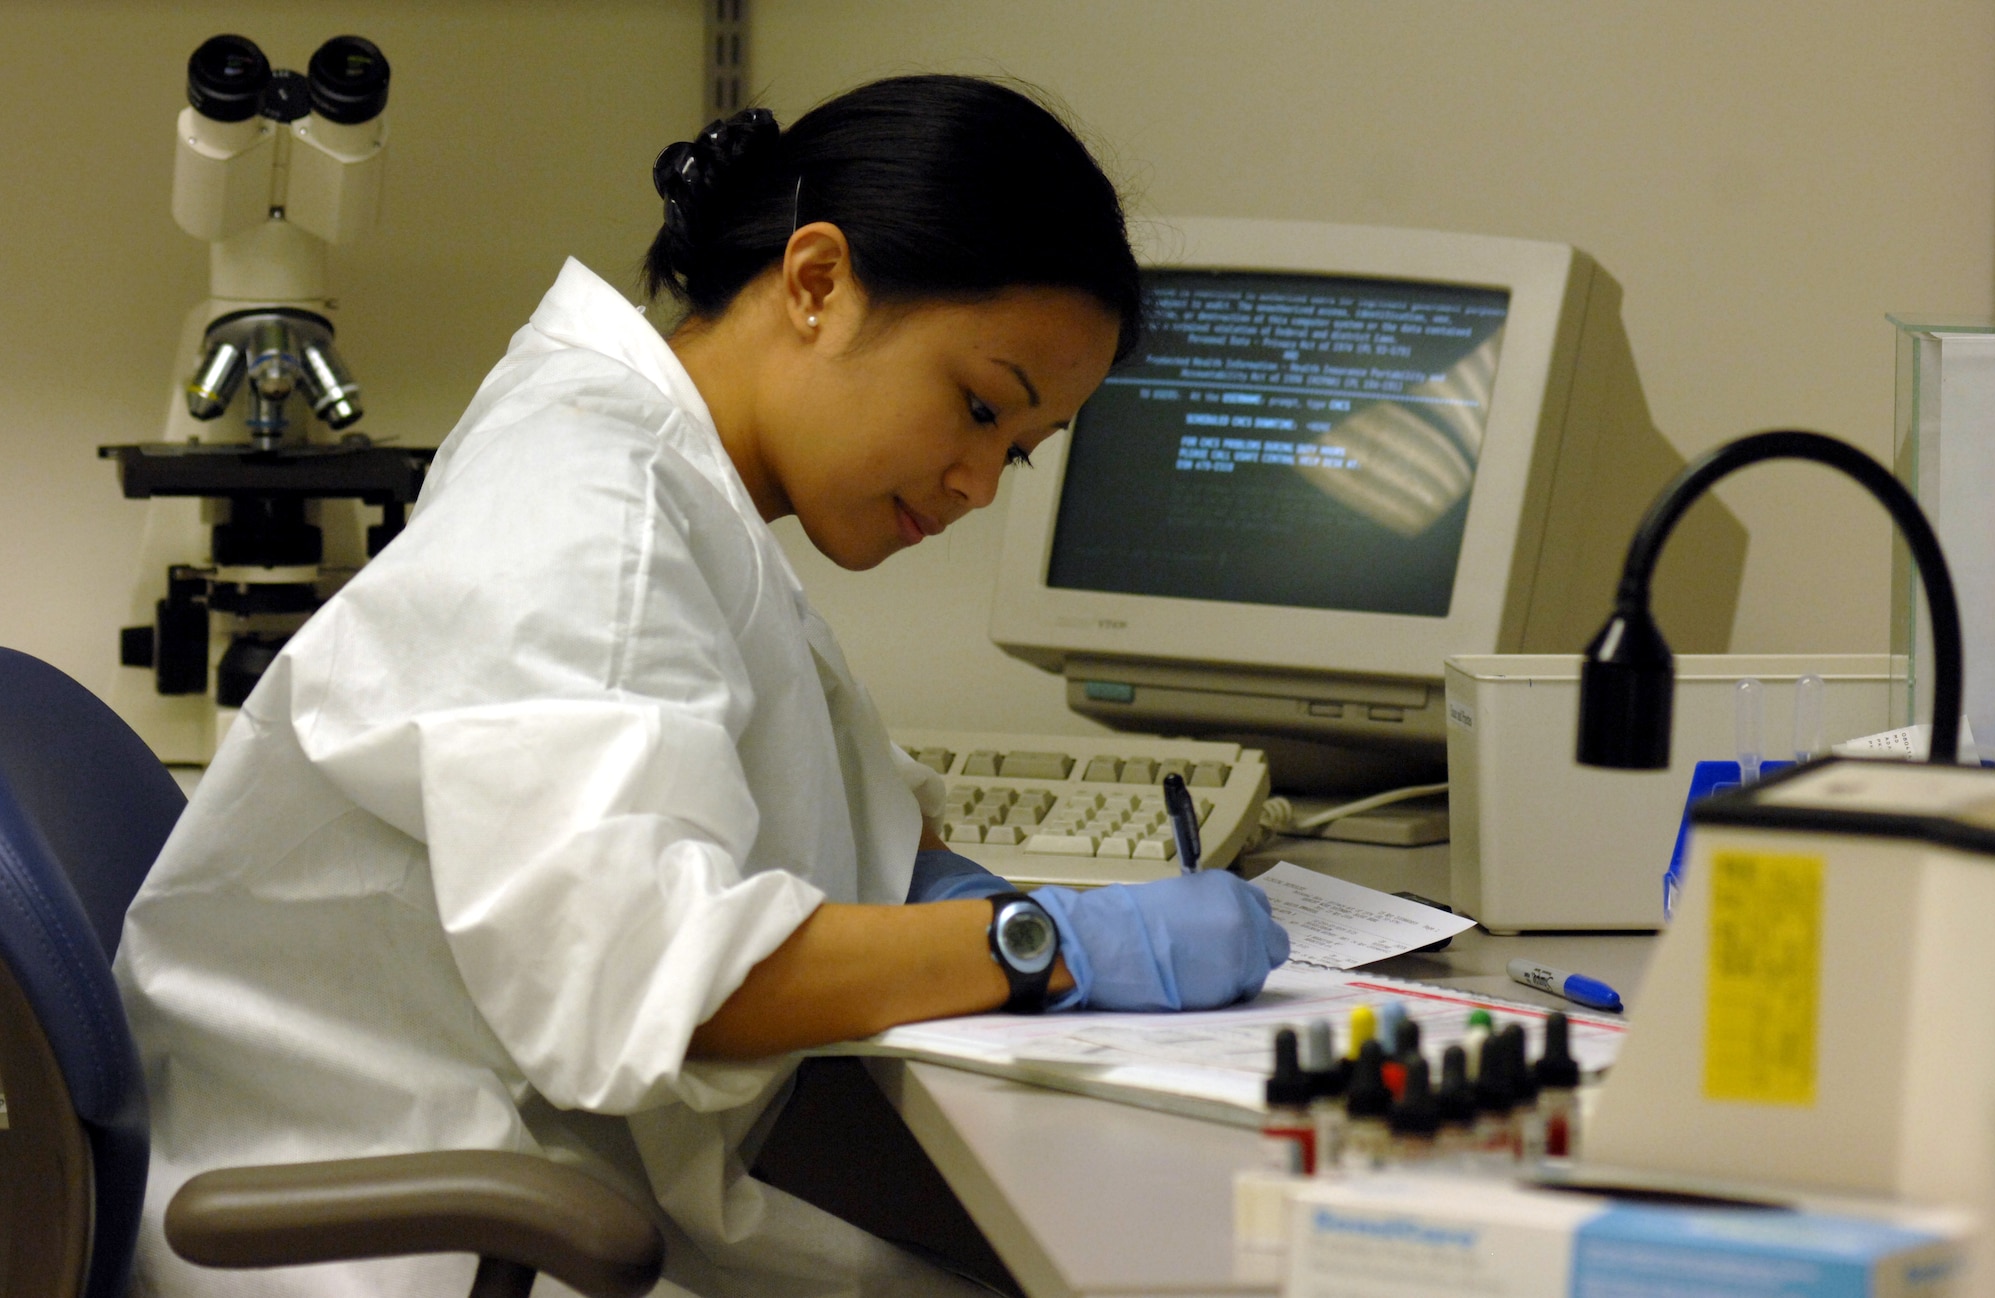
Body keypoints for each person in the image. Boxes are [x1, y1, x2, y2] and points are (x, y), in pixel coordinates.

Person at [116, 75, 1288, 1298]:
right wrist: (1041, 941)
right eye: (978, 406)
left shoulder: (659, 468)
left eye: (1016, 448)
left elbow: (752, 777)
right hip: (392, 1235)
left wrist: (929, 872)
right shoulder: (600, 514)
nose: (978, 486)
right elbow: (662, 975)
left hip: (497, 1178)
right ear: (817, 281)